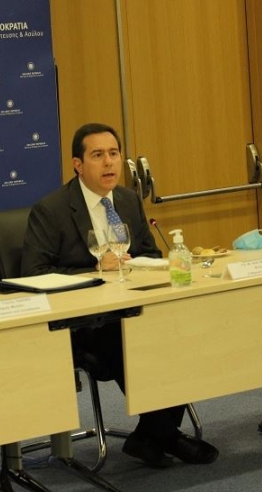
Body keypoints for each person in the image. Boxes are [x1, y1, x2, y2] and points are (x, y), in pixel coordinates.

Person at [22, 123, 219, 468]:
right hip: (83, 324)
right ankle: (164, 435)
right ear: (78, 165)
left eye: (113, 153)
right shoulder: (52, 210)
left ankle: (151, 435)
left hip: (131, 305)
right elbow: (34, 274)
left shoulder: (127, 200)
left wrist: (137, 265)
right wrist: (94, 270)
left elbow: (149, 254)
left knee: (178, 329)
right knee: (131, 337)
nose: (109, 162)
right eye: (98, 155)